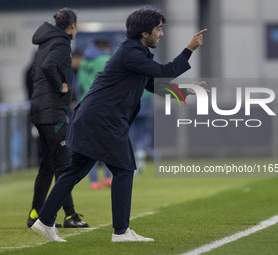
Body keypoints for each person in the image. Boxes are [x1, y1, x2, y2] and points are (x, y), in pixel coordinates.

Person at [31, 6, 206, 242]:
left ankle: (45, 220)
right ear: (145, 33)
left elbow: (153, 85)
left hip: (94, 119)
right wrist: (189, 49)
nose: (161, 34)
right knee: (124, 169)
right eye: (159, 29)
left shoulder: (136, 53)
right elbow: (165, 72)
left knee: (75, 170)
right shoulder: (132, 53)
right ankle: (121, 232)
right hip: (102, 121)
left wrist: (184, 92)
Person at [28, 8, 88, 229]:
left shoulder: (45, 42)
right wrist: (60, 87)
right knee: (63, 164)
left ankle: (35, 213)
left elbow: (36, 71)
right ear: (71, 26)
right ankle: (70, 215)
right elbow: (48, 67)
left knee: (46, 166)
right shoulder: (62, 43)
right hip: (52, 111)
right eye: (77, 25)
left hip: (39, 109)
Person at [77, 39, 113, 190]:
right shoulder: (106, 60)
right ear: (104, 47)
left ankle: (93, 181)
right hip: (103, 107)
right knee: (110, 145)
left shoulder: (84, 62)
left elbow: (79, 85)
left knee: (90, 146)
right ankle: (107, 177)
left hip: (85, 106)